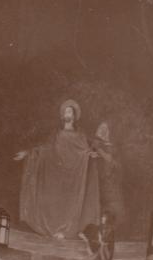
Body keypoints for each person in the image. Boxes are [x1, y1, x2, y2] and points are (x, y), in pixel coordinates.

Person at [15, 99, 100, 240]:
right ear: (62, 115)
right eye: (65, 111)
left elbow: (84, 151)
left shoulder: (80, 135)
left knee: (71, 203)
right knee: (54, 202)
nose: (67, 114)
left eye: (70, 112)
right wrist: (28, 153)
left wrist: (90, 154)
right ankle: (53, 228)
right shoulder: (56, 134)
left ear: (74, 116)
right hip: (56, 174)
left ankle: (66, 230)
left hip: (74, 177)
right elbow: (46, 149)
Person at [92, 121, 124, 228]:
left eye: (105, 129)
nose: (103, 131)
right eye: (101, 128)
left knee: (109, 202)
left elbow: (110, 159)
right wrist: (93, 154)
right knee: (98, 201)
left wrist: (99, 150)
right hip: (97, 177)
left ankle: (108, 226)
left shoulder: (110, 146)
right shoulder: (96, 143)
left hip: (110, 180)